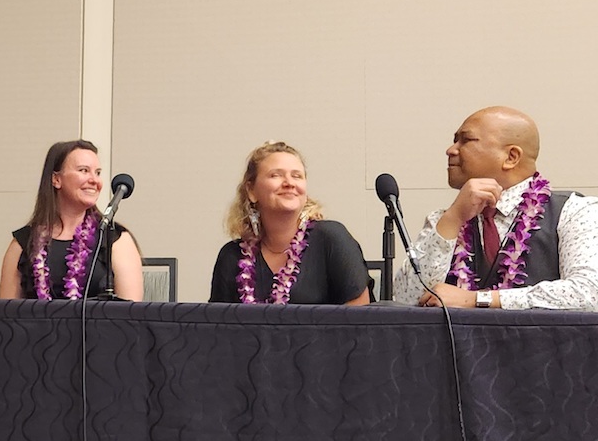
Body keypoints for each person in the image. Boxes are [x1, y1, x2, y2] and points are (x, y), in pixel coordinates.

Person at [394, 106, 598, 310]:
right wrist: (453, 218)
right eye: (455, 140)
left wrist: (476, 300)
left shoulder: (575, 212)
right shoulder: (445, 219)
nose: (451, 150)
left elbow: (589, 294)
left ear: (511, 157)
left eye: (466, 140)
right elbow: (405, 298)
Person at [210, 142, 370, 305]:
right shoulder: (232, 256)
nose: (289, 183)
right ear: (251, 191)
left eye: (297, 176)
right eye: (276, 175)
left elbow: (360, 323)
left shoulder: (331, 239)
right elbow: (216, 327)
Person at [0, 140, 143, 301]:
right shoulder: (22, 244)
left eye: (98, 173)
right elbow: (5, 318)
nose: (95, 180)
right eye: (84, 170)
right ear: (56, 179)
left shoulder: (115, 240)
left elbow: (131, 318)